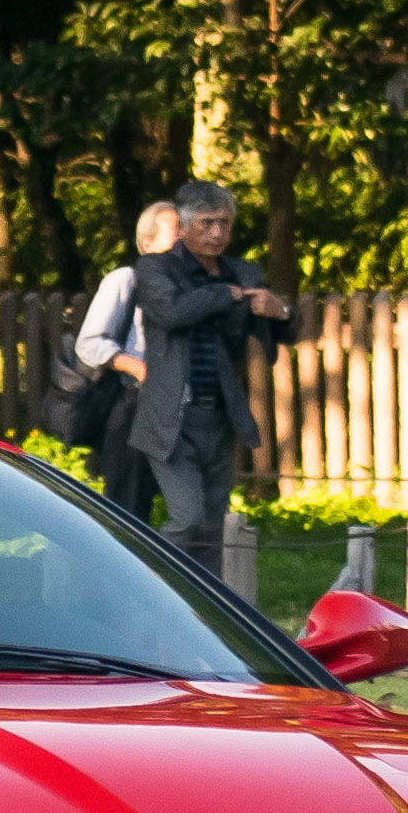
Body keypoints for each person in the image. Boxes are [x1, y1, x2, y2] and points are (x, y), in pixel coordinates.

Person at [130, 181, 293, 558]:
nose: (217, 233)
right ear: (183, 228)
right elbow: (172, 313)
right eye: (206, 223)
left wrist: (279, 310)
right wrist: (225, 295)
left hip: (219, 414)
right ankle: (157, 585)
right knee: (186, 518)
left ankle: (204, 610)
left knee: (211, 527)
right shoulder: (156, 267)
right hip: (171, 415)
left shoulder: (242, 272)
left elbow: (281, 328)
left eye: (224, 223)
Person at [75, 201, 178, 519]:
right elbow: (90, 342)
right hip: (134, 409)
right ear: (148, 244)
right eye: (176, 231)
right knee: (129, 511)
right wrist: (138, 366)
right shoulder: (125, 281)